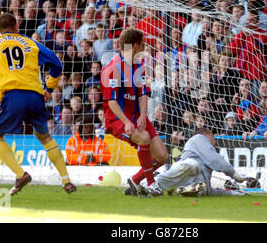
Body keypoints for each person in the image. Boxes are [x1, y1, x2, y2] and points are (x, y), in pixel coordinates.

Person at [0, 13, 76, 195]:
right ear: (17, 27)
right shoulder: (31, 44)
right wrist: (49, 89)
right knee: (45, 137)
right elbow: (57, 64)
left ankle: (20, 175)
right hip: (35, 96)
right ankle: (66, 181)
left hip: (12, 96)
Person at [100, 28, 168, 196]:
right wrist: (127, 122)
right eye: (143, 44)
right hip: (117, 119)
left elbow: (143, 94)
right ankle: (151, 183)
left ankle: (135, 181)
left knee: (162, 156)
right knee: (143, 138)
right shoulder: (113, 68)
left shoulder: (139, 67)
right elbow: (112, 101)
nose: (145, 48)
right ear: (136, 46)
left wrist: (144, 115)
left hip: (137, 116)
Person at [145, 127, 248, 197]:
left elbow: (210, 191)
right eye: (213, 136)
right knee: (193, 165)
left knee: (202, 189)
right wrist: (234, 174)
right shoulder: (199, 138)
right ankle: (148, 183)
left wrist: (234, 193)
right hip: (186, 168)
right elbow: (215, 160)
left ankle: (181, 189)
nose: (215, 141)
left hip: (193, 182)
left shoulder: (205, 161)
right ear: (205, 134)